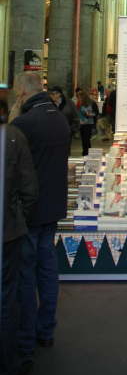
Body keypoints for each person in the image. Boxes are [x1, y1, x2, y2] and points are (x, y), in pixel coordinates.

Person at [11, 71, 71, 360]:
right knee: (47, 268)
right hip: (54, 206)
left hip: (29, 209)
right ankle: (46, 328)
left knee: (25, 271)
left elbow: (14, 167)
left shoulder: (24, 123)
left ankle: (25, 334)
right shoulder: (59, 118)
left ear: (22, 92)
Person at [0, 123, 38, 375]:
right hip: (7, 232)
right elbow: (28, 189)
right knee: (5, 298)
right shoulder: (12, 137)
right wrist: (18, 219)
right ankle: (7, 366)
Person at [76, 89, 98, 156]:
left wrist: (89, 114)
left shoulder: (92, 103)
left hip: (89, 124)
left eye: (80, 97)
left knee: (86, 139)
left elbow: (96, 113)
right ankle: (86, 152)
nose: (79, 98)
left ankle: (86, 153)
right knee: (84, 140)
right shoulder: (80, 103)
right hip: (82, 124)